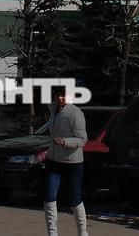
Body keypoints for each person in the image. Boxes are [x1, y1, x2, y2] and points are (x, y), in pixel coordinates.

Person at [44, 85, 89, 236]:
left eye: (63, 95)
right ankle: (52, 233)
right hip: (53, 161)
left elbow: (82, 139)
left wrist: (64, 141)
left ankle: (82, 232)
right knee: (49, 197)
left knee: (74, 197)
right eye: (57, 95)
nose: (60, 98)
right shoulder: (53, 110)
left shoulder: (76, 113)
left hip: (72, 163)